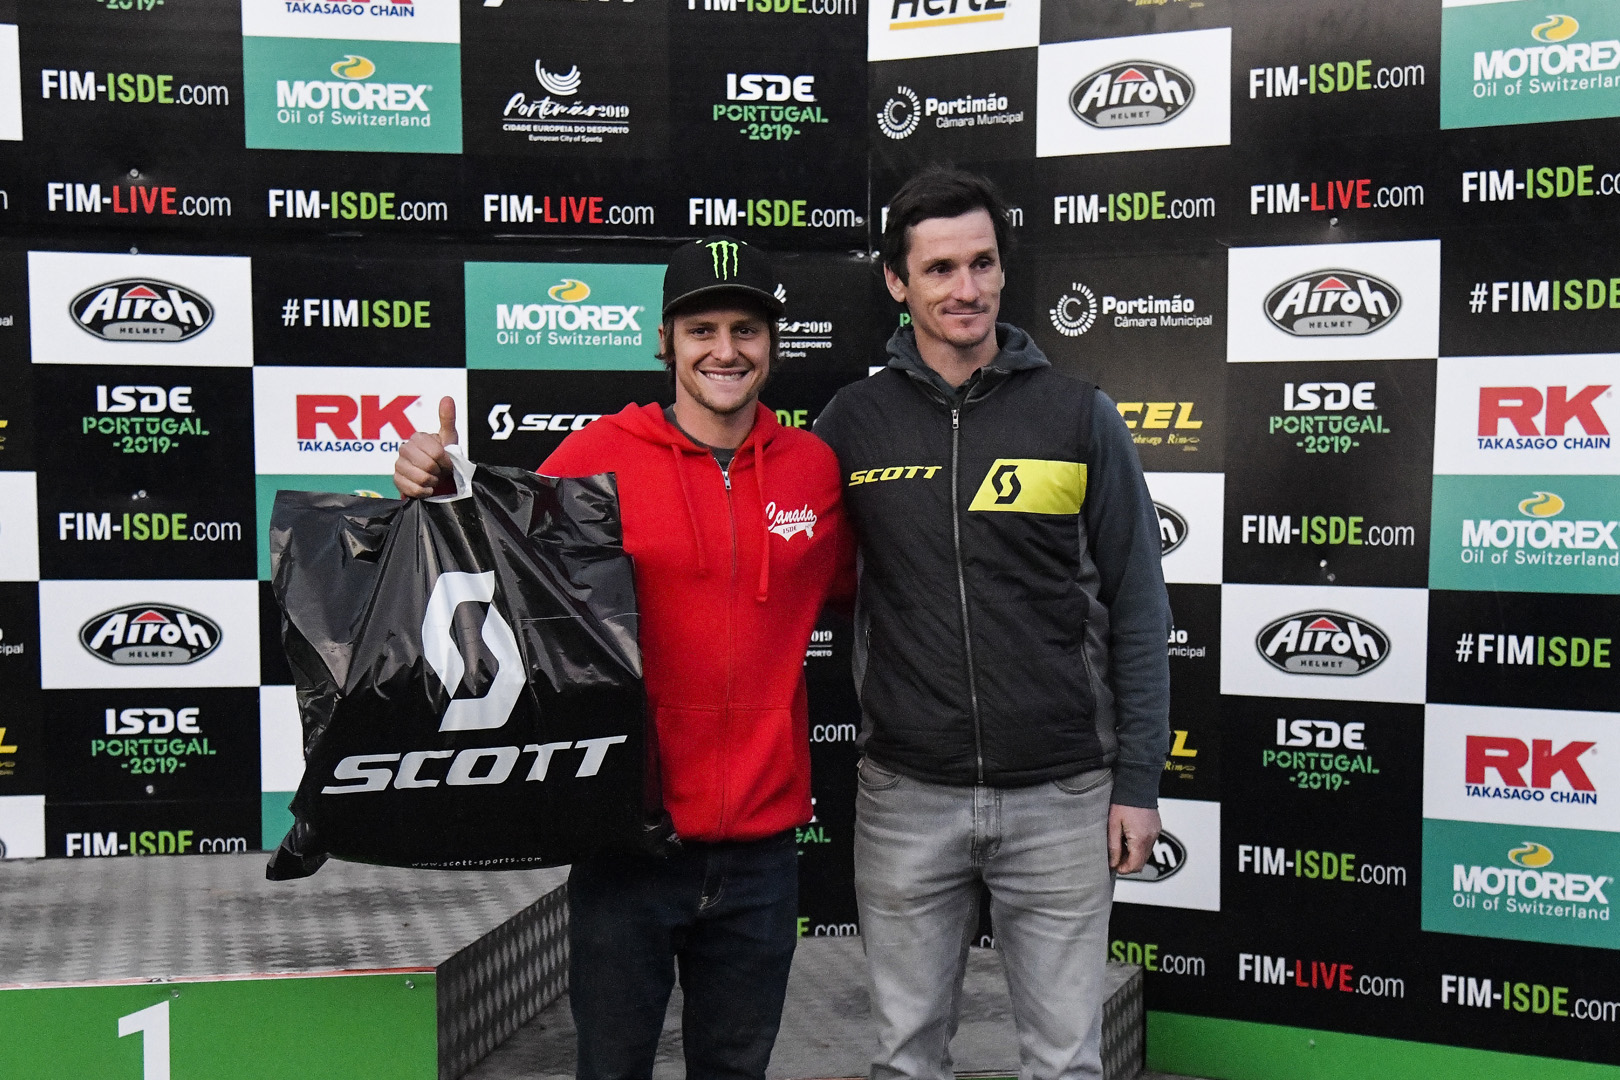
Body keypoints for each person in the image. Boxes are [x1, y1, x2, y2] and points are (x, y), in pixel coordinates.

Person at [394, 236, 853, 1080]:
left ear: (773, 344)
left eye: (746, 329)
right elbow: (495, 568)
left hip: (762, 850)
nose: (725, 350)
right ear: (665, 341)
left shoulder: (814, 470)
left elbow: (881, 588)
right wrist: (436, 486)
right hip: (628, 841)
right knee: (611, 1069)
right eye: (702, 329)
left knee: (736, 1072)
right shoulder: (598, 456)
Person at [812, 168, 1171, 1080]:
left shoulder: (1079, 415)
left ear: (1004, 271)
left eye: (982, 263)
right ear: (897, 282)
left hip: (1063, 798)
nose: (965, 288)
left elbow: (1138, 606)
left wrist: (1137, 781)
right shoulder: (851, 424)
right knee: (905, 1061)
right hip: (906, 797)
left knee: (1064, 1063)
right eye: (939, 269)